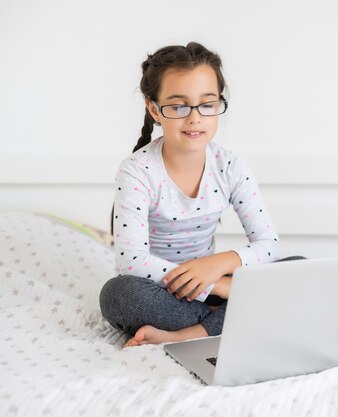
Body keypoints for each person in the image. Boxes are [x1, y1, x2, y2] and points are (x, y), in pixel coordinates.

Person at [99, 42, 303, 348]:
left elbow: (270, 245)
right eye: (179, 106)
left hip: (216, 287)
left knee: (298, 269)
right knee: (118, 295)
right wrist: (219, 289)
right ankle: (227, 319)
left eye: (207, 104)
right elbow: (132, 262)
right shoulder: (137, 171)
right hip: (163, 292)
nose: (195, 118)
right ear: (154, 109)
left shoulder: (230, 166)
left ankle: (189, 334)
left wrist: (221, 265)